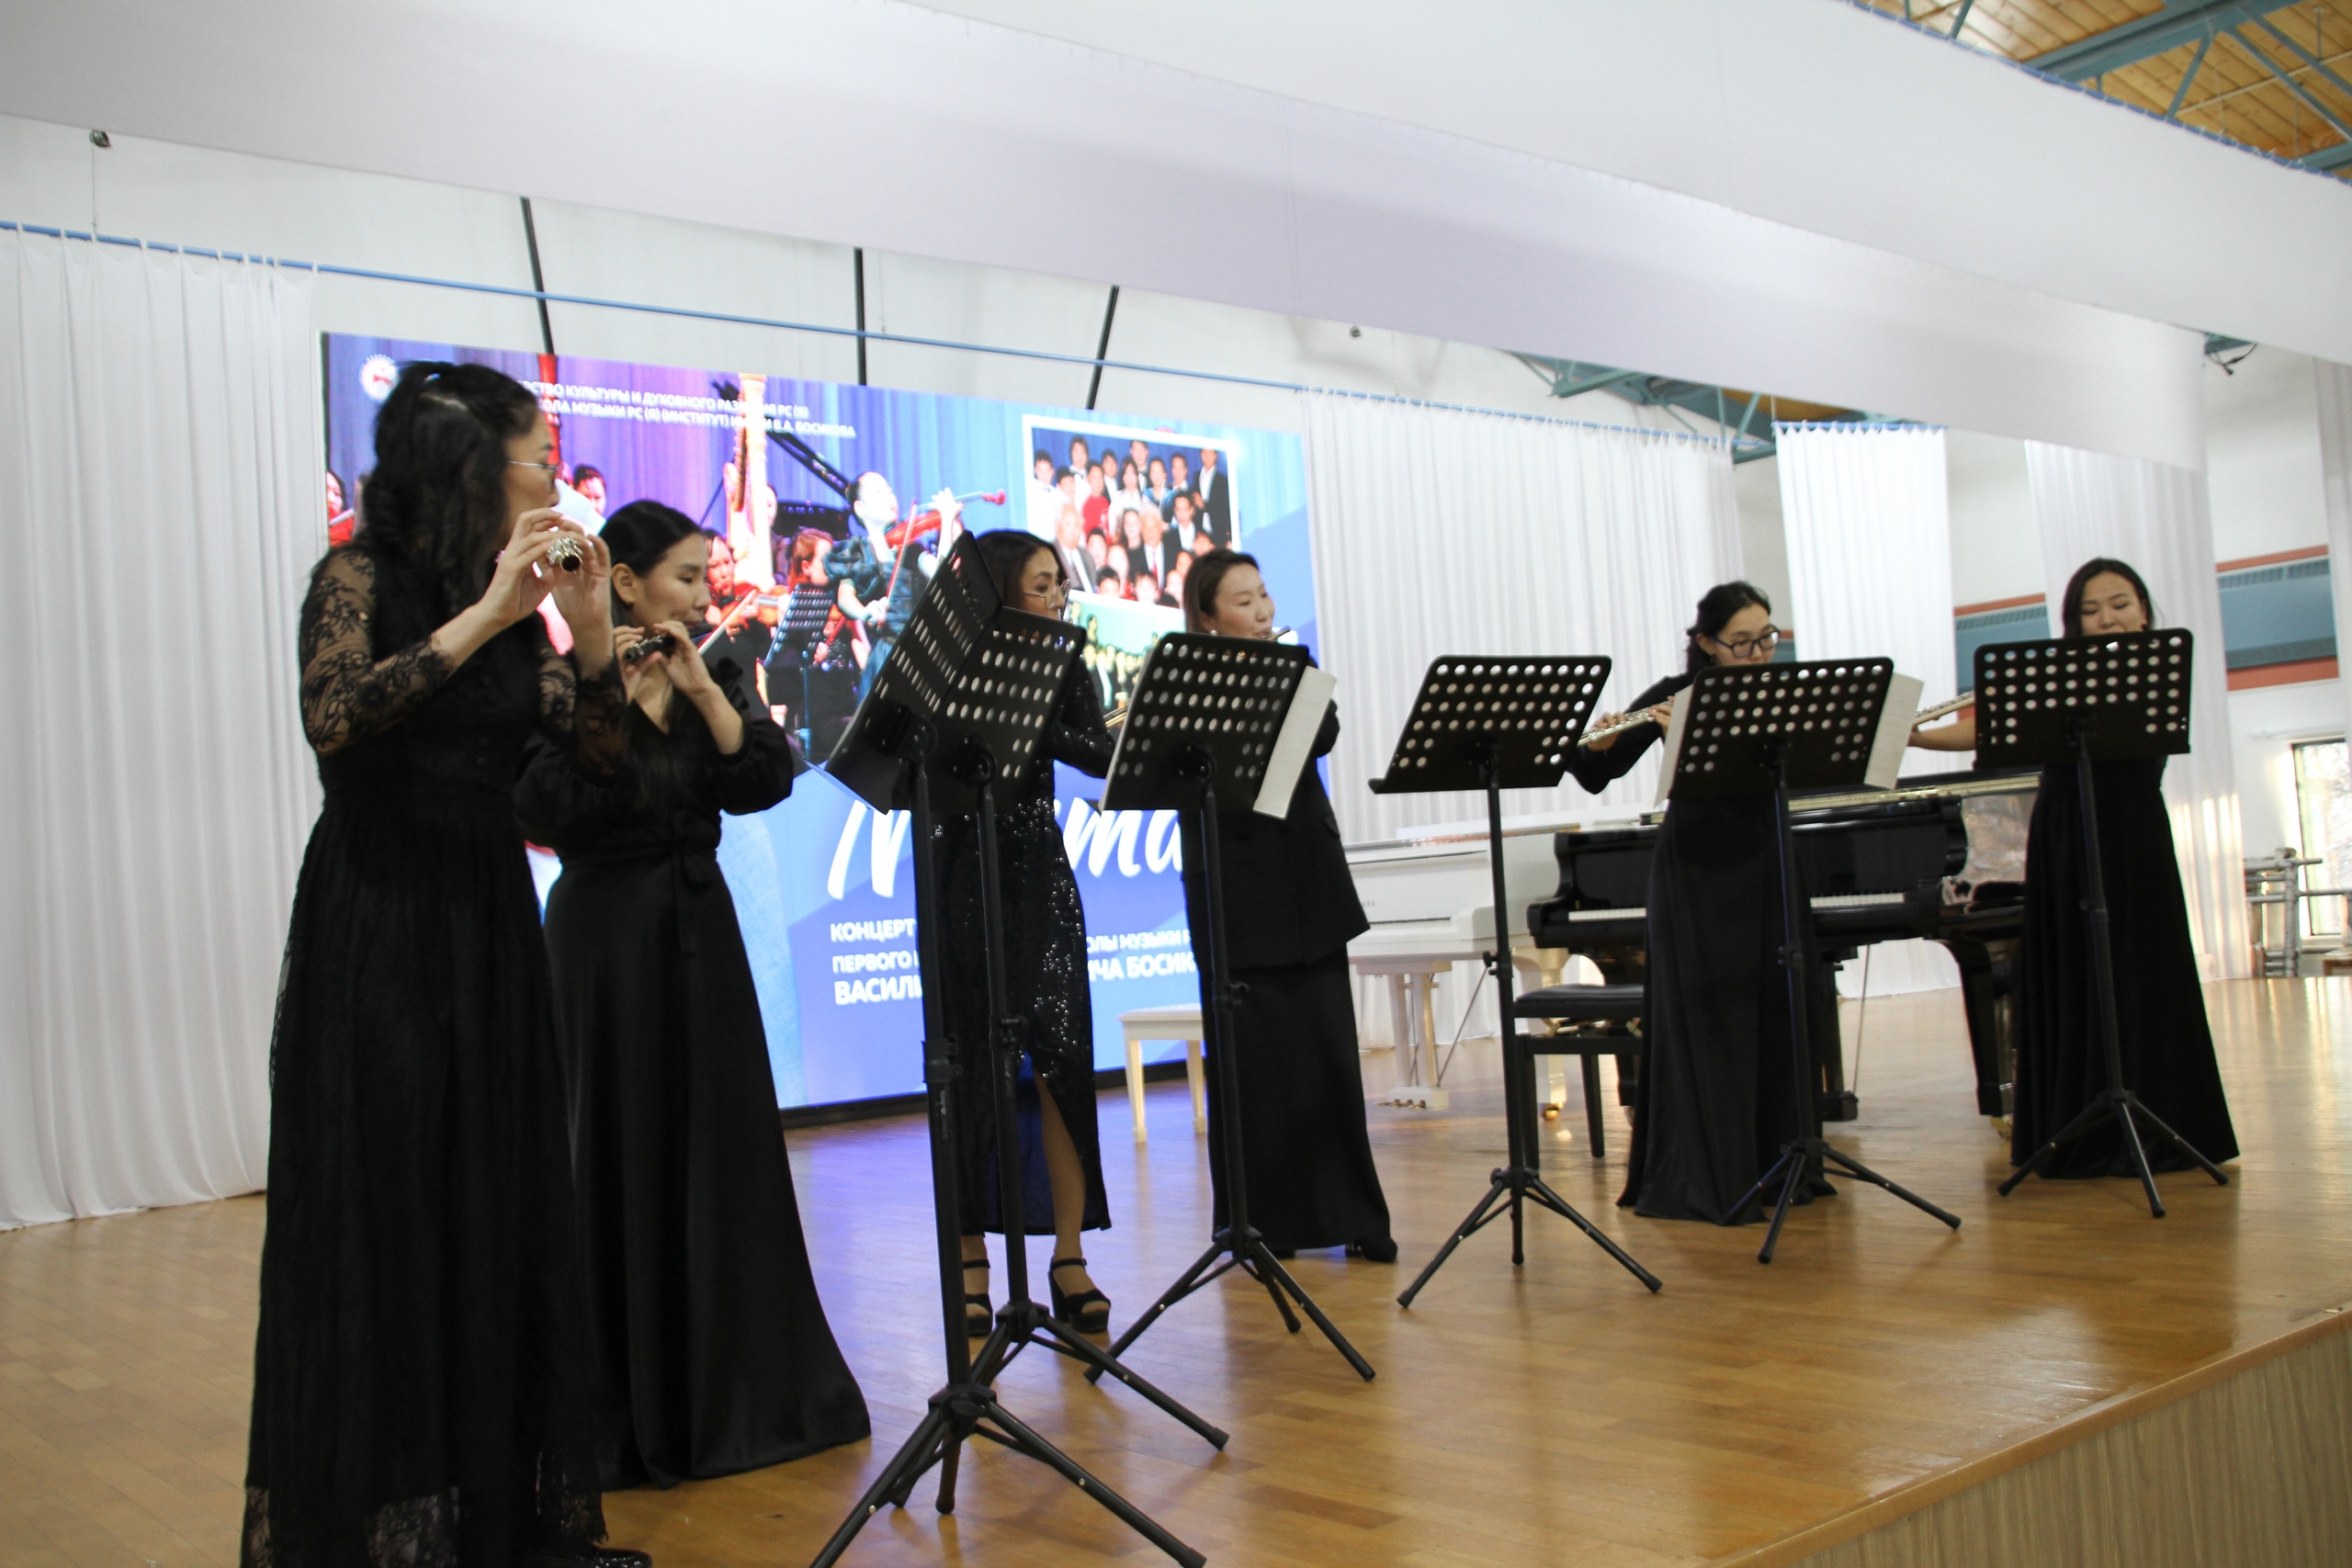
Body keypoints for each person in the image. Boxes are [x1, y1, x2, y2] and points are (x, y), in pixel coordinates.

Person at [245, 361, 649, 1568]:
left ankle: (502, 1522)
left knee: (496, 1200)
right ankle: (383, 1526)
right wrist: (486, 613)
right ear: (475, 466)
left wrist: (591, 640)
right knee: (391, 1212)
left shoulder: (521, 609)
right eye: (538, 462)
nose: (551, 486)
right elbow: (336, 717)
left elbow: (588, 780)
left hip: (486, 916)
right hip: (379, 918)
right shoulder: (358, 579)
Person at [515, 501, 868, 1490]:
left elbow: (764, 778)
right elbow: (548, 808)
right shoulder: (564, 680)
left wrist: (703, 688)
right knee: (615, 1150)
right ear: (625, 583)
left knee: (720, 1150)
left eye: (706, 577)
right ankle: (621, 1405)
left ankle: (734, 1391)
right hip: (603, 940)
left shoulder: (717, 669)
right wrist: (612, 689)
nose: (703, 595)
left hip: (700, 931)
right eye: (684, 577)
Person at [1912, 558, 2238, 1179]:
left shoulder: (2157, 670)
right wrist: (1918, 737)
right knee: (2074, 967)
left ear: (2143, 611)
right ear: (2073, 622)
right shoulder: (2053, 676)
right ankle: (2076, 1130)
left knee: (2140, 968)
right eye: (2090, 611)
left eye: (2119, 604)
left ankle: (2160, 1119)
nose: (2106, 618)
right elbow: (1990, 724)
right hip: (2064, 832)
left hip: (2133, 834)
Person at [1566, 581, 1813, 1224]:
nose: (1757, 654)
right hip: (1700, 871)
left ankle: (1781, 1159)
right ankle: (1711, 1170)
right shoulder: (1676, 695)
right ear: (1707, 643)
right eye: (1741, 643)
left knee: (1776, 1007)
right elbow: (1595, 773)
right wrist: (1599, 743)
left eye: (1766, 639)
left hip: (1769, 859)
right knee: (1712, 1017)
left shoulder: (1785, 696)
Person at [1178, 549, 1395, 1260]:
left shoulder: (1291, 666)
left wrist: (1281, 679)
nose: (1263, 610)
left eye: (1264, 594)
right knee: (1256, 1064)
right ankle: (1262, 1221)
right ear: (1208, 617)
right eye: (1243, 601)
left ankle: (1354, 1214)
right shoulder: (1186, 682)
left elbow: (1323, 732)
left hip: (1306, 879)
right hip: (1233, 884)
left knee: (1328, 1054)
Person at [937, 529, 1120, 1333]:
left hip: (1040, 873)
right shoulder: (951, 661)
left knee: (1061, 1061)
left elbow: (1097, 751)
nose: (1055, 597)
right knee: (970, 1067)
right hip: (959, 873)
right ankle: (970, 1259)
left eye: (1059, 584)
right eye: (1041, 584)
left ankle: (1069, 1256)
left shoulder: (1064, 659)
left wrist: (1045, 721)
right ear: (1001, 587)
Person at [824, 470, 961, 697]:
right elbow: (845, 597)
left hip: (924, 652)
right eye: (878, 492)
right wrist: (865, 612)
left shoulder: (912, 549)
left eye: (889, 491)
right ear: (860, 508)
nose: (889, 496)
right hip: (888, 654)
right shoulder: (857, 552)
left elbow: (942, 576)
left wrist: (946, 522)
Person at [1194, 446, 1231, 547]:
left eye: (1210, 452)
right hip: (1199, 531)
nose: (1207, 456)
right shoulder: (1196, 477)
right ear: (1200, 455)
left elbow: (1223, 508)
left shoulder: (1222, 480)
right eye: (1204, 452)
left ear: (1216, 456)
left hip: (1217, 532)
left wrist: (1204, 505)